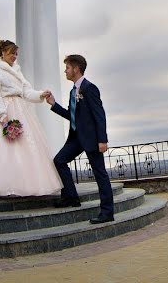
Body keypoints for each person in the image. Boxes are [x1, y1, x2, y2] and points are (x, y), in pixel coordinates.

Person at [0, 40, 62, 199]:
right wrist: (2, 114)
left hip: (21, 109)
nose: (14, 56)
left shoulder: (17, 71)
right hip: (6, 110)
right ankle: (4, 186)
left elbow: (26, 91)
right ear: (2, 53)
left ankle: (25, 185)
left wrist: (40, 94)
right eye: (11, 53)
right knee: (3, 148)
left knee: (27, 146)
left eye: (16, 54)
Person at [45, 54, 114, 224]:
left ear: (76, 69)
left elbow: (100, 115)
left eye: (67, 67)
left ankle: (107, 212)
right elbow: (72, 115)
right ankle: (71, 198)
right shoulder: (72, 92)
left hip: (92, 139)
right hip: (75, 138)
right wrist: (54, 105)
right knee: (59, 160)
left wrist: (102, 140)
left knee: (100, 175)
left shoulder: (90, 88)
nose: (65, 71)